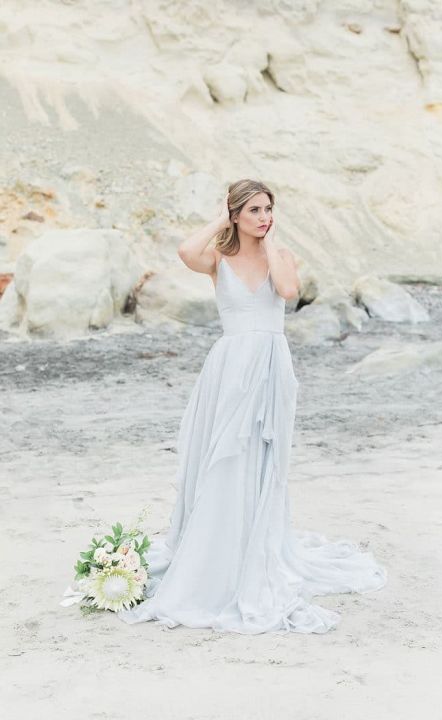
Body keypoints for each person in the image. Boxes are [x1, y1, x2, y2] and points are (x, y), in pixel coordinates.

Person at [118, 178, 387, 633]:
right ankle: (215, 549)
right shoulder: (218, 259)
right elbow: (186, 250)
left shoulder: (280, 257)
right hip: (228, 367)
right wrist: (222, 218)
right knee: (222, 454)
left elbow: (287, 292)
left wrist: (271, 243)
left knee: (261, 458)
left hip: (269, 364)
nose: (264, 217)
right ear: (237, 214)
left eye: (268, 209)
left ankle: (252, 545)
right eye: (255, 210)